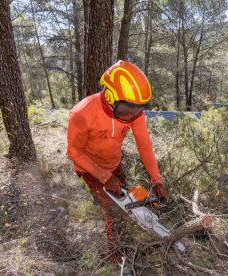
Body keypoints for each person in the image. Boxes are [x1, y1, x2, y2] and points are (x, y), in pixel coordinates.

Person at [67, 60, 167, 263]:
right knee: (112, 209)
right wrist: (104, 177)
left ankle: (125, 234)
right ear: (111, 97)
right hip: (89, 169)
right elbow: (74, 152)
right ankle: (115, 254)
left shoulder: (133, 112)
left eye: (137, 110)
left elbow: (144, 145)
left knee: (128, 201)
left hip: (114, 163)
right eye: (127, 110)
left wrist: (157, 179)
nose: (131, 116)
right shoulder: (82, 113)